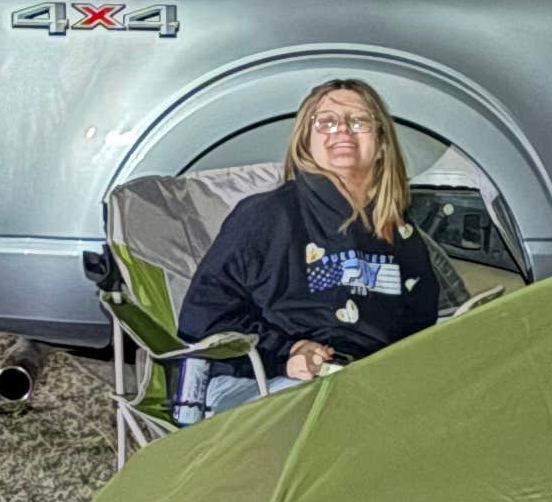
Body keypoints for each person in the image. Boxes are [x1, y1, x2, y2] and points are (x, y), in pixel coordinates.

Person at [177, 79, 447, 414]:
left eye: (359, 121)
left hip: (364, 385)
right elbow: (201, 317)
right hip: (258, 380)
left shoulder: (399, 234)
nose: (343, 130)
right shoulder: (267, 216)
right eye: (326, 122)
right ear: (306, 142)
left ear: (381, 144)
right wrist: (288, 352)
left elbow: (418, 329)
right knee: (333, 410)